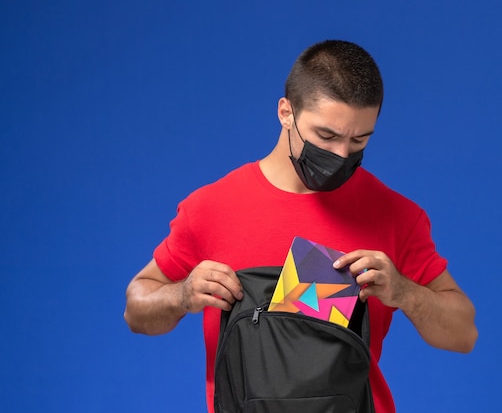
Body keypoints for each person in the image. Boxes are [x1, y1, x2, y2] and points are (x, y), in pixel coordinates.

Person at [124, 39, 478, 413]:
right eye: (326, 136)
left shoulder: (396, 215)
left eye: (359, 140)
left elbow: (463, 334)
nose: (341, 155)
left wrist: (405, 292)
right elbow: (137, 309)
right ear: (286, 112)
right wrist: (182, 295)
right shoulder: (210, 208)